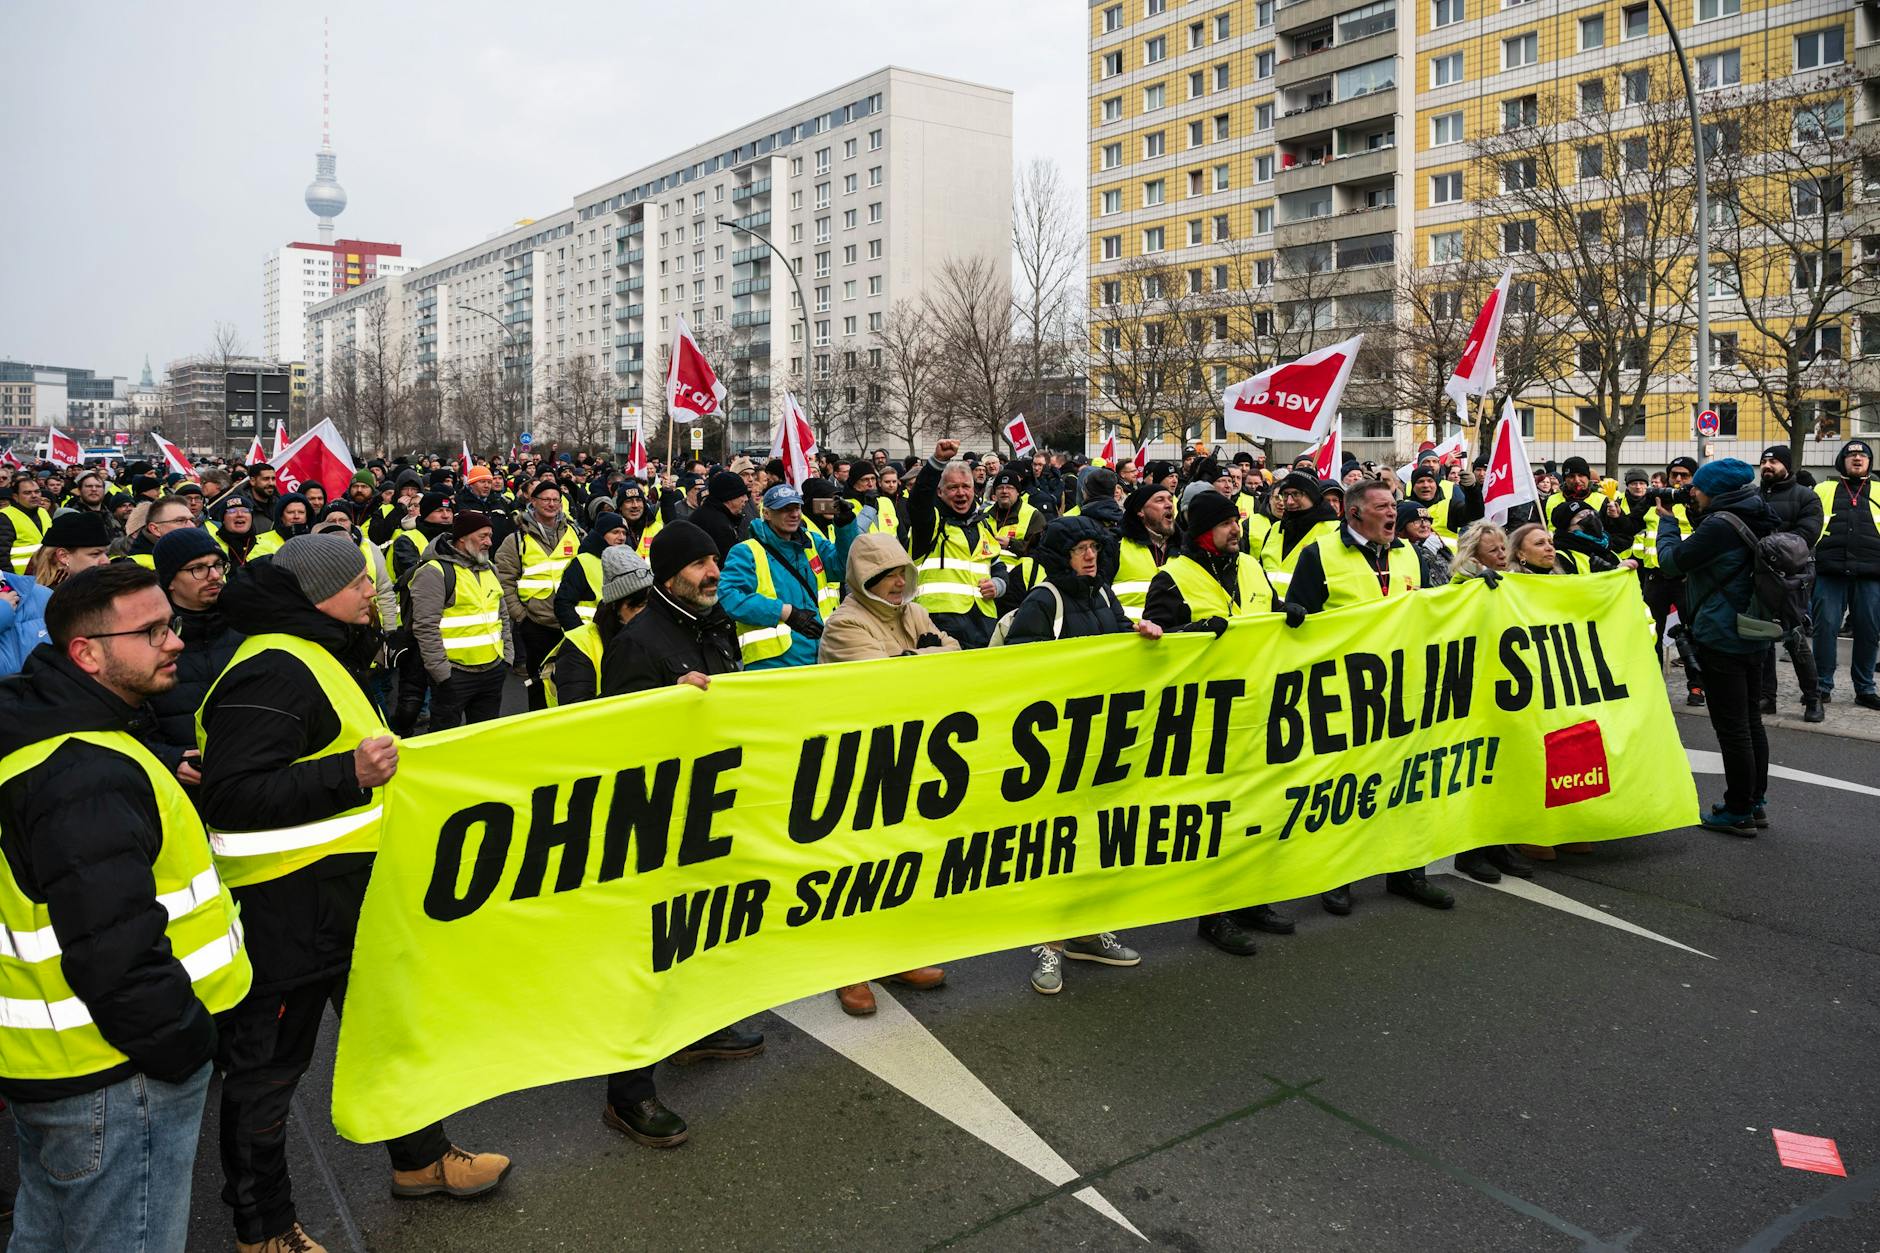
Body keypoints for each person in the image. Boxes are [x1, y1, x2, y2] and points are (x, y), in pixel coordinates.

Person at [198, 535, 510, 1251]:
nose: (373, 591)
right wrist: (350, 774)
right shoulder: (275, 667)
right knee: (269, 1074)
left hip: (345, 895)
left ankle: (421, 1159)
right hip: (287, 907)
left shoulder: (314, 651)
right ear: (317, 594)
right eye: (359, 582)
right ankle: (263, 1228)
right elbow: (232, 796)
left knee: (389, 1034)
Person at [0, 563, 251, 1251]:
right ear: (87, 653)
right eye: (152, 632)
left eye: (171, 625)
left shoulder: (60, 737)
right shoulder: (84, 771)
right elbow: (112, 945)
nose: (175, 642)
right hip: (117, 1073)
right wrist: (184, 1044)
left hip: (66, 1067)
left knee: (47, 1236)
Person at [597, 521, 763, 1147]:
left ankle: (697, 1030)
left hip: (711, 807)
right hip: (656, 821)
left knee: (704, 927)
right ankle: (628, 1095)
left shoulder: (711, 626)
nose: (713, 572)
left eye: (714, 560)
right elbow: (615, 736)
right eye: (698, 564)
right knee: (650, 951)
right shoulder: (638, 643)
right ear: (668, 577)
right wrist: (664, 701)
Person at [1001, 517, 1161, 994]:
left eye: (1094, 547)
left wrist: (1138, 631)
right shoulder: (1044, 599)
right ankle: (1048, 946)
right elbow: (1018, 665)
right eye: (1079, 550)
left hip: (1102, 737)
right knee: (1057, 847)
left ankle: (1088, 932)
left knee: (1094, 842)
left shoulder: (1104, 595)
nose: (1090, 556)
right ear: (1060, 556)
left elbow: (1114, 640)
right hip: (1058, 743)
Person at [1141, 489, 1295, 953]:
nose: (1236, 530)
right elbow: (1153, 647)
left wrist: (1289, 614)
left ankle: (1250, 899)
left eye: (1237, 522)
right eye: (1227, 523)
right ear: (1205, 530)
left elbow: (1267, 612)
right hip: (1207, 716)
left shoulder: (1249, 566)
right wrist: (1189, 633)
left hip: (1257, 706)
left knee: (1258, 809)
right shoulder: (1173, 577)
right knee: (1216, 817)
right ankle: (1214, 913)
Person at [1289, 480, 1452, 914]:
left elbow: (1434, 609)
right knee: (1345, 787)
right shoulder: (1319, 555)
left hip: (1404, 689)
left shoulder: (1409, 554)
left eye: (1393, 505)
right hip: (1344, 693)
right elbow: (1297, 628)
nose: (1392, 512)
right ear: (1354, 512)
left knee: (1407, 783)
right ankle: (1338, 876)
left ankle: (1408, 872)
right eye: (1382, 506)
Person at [1655, 459, 1777, 832]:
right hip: (1754, 628)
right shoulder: (1757, 512)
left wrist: (1668, 523)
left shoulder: (1719, 526)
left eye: (1697, 487)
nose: (1691, 491)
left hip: (1722, 634)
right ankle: (1755, 801)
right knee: (1751, 721)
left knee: (1732, 727)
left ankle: (1737, 809)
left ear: (1715, 490)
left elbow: (1671, 563)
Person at [1445, 523, 1533, 882]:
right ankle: (1470, 851)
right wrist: (1476, 584)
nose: (1502, 555)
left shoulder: (1508, 581)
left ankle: (1498, 845)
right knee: (1476, 774)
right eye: (1493, 550)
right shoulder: (1461, 584)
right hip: (1472, 692)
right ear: (1474, 554)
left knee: (1503, 771)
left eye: (1503, 548)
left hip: (1502, 689)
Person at [140, 526, 241, 785]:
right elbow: (128, 720)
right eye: (198, 568)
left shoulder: (248, 626)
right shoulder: (145, 638)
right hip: (183, 784)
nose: (214, 576)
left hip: (249, 775)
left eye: (218, 565)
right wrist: (168, 758)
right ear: (170, 581)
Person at [406, 510, 513, 729]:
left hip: (492, 669)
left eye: (490, 536)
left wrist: (507, 657)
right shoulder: (434, 572)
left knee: (485, 737)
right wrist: (442, 674)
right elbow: (425, 627)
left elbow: (502, 615)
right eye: (482, 536)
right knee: (447, 738)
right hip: (455, 674)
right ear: (462, 538)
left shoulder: (490, 569)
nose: (489, 542)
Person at [494, 479, 582, 712]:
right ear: (533, 502)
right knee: (538, 683)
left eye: (556, 500)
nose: (551, 504)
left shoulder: (576, 533)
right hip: (536, 624)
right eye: (546, 500)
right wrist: (520, 615)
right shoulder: (516, 540)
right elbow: (504, 580)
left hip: (572, 621)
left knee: (573, 681)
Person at [908, 440, 1006, 648]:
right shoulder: (931, 523)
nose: (961, 493)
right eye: (953, 487)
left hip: (984, 624)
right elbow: (918, 501)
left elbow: (998, 565)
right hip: (938, 625)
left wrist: (998, 585)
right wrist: (936, 462)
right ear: (940, 492)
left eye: (966, 486)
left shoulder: (983, 525)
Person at [1753, 446, 1824, 721]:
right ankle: (1766, 697)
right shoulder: (1754, 495)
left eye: (1773, 461)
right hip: (1759, 576)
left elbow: (1806, 536)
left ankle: (1813, 699)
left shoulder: (1806, 497)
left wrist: (1767, 547)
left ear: (1786, 465)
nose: (1767, 465)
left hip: (1792, 578)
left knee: (1795, 638)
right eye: (1764, 461)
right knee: (1762, 637)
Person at [1811, 439, 1880, 711]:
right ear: (1842, 461)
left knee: (1869, 631)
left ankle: (1865, 689)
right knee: (1825, 628)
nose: (1858, 458)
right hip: (1830, 571)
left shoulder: (1879, 490)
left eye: (1863, 455)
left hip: (1871, 573)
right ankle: (1821, 685)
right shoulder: (1823, 489)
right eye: (1852, 455)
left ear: (1870, 462)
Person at [546, 546, 653, 707]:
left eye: (649, 605)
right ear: (615, 606)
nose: (645, 614)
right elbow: (576, 711)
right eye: (637, 606)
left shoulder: (656, 631)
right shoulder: (579, 646)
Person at [1258, 470, 1340, 599]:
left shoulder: (1334, 530)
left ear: (1312, 496)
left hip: (1309, 610)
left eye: (1296, 494)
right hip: (1268, 609)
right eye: (1285, 495)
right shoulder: (1276, 528)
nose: (1289, 501)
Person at [554, 510, 628, 630]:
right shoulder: (582, 562)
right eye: (615, 532)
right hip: (589, 634)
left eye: (624, 533)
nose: (621, 538)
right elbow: (563, 604)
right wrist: (580, 635)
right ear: (601, 534)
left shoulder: (626, 562)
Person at [1113, 483, 1175, 623]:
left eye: (1170, 500)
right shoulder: (1117, 545)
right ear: (1140, 511)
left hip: (1179, 633)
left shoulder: (1184, 549)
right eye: (1160, 500)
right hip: (1131, 632)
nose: (1169, 505)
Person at [27, 509, 111, 588]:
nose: (106, 561)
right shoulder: (56, 596)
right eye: (95, 554)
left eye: (106, 553)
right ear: (63, 556)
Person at [120, 494, 196, 569]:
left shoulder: (191, 553)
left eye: (192, 520)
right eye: (180, 520)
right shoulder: (132, 570)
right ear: (155, 529)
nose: (192, 526)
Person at [691, 470, 751, 560]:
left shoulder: (708, 514)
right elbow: (728, 563)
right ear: (729, 497)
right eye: (741, 495)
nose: (746, 499)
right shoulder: (720, 527)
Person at [0, 472, 52, 574]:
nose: (34, 496)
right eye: (27, 493)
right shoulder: (4, 516)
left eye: (37, 492)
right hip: (19, 577)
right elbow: (2, 556)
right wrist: (11, 580)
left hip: (45, 574)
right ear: (15, 497)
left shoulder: (43, 512)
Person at [1397, 500, 1451, 586]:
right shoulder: (1397, 551)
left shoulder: (1437, 545)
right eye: (1417, 521)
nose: (1424, 525)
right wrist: (1428, 551)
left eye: (1426, 520)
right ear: (1402, 526)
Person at [250, 493, 311, 558]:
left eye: (301, 512)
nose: (296, 516)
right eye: (290, 512)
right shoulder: (259, 542)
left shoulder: (314, 541)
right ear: (281, 516)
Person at [211, 493, 262, 569]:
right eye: (232, 511)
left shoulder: (267, 543)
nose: (240, 514)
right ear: (223, 519)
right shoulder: (212, 546)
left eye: (245, 511)